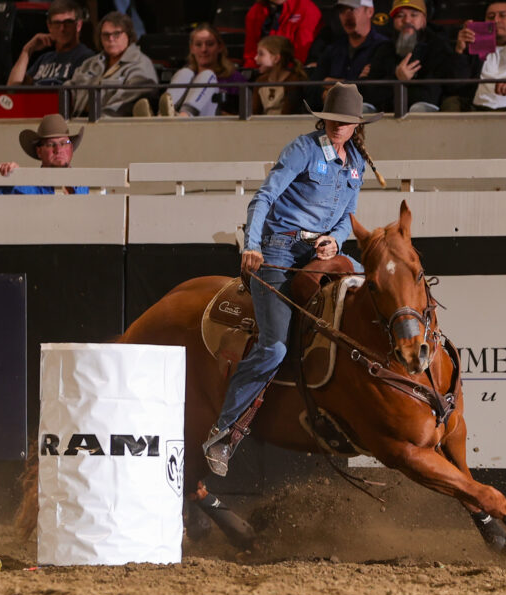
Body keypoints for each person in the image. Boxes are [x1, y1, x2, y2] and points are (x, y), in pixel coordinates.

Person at [202, 82, 382, 476]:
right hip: (280, 248)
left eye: (347, 121)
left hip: (317, 253)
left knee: (369, 291)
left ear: (356, 125)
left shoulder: (356, 164)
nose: (339, 125)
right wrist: (252, 246)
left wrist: (334, 243)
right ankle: (223, 432)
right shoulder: (302, 149)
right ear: (325, 117)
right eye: (334, 118)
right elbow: (263, 198)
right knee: (274, 349)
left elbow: (345, 217)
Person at [307, 0, 395, 113]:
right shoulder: (332, 50)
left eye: (353, 9)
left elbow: (377, 92)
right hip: (332, 118)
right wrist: (325, 94)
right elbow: (311, 91)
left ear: (369, 11)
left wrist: (337, 87)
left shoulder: (384, 48)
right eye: (342, 11)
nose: (347, 16)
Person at [65, 12, 158, 117]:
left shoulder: (140, 64)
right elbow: (68, 90)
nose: (110, 39)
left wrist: (100, 121)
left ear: (129, 35)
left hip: (113, 125)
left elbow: (126, 103)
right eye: (106, 35)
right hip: (77, 121)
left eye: (116, 34)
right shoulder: (90, 63)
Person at [155, 23, 248, 117]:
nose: (204, 49)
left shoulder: (235, 78)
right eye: (198, 44)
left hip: (210, 125)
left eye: (210, 44)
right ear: (192, 48)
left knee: (207, 75)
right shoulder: (187, 75)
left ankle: (184, 116)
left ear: (220, 47)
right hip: (175, 124)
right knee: (185, 72)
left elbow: (246, 115)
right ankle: (163, 116)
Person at [379, 0, 456, 112]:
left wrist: (402, 83)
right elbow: (372, 94)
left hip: (429, 114)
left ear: (424, 20)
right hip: (388, 113)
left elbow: (430, 94)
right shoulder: (384, 48)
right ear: (394, 22)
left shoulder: (438, 46)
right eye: (400, 16)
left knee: (419, 109)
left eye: (414, 15)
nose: (407, 20)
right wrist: (397, 79)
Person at [0, 114, 88, 195]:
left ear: (71, 148)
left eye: (64, 143)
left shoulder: (87, 186)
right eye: (50, 144)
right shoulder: (24, 187)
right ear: (39, 151)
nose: (58, 149)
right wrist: (10, 177)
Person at [7, 0, 94, 86]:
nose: (62, 29)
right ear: (49, 26)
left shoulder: (87, 58)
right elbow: (12, 90)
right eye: (57, 23)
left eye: (68, 22)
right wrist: (27, 50)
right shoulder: (45, 58)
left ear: (78, 25)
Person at [243, 0, 323, 69]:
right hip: (263, 69)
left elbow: (301, 53)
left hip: (293, 71)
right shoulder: (256, 11)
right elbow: (251, 51)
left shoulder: (306, 8)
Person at [252, 35, 309, 114]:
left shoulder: (293, 81)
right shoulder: (260, 81)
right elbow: (254, 113)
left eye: (261, 54)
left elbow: (288, 113)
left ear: (276, 58)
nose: (255, 58)